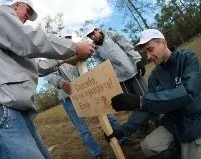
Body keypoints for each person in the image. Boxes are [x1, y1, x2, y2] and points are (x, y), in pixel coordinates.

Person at [0, 0, 95, 159]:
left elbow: (37, 66)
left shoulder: (10, 46)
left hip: (13, 109)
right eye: (27, 10)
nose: (28, 16)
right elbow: (27, 38)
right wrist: (74, 47)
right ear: (16, 5)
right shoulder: (1, 14)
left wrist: (63, 59)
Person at [109, 29, 201, 159]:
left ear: (164, 43)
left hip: (192, 119)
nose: (148, 57)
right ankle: (175, 145)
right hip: (171, 122)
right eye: (145, 53)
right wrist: (123, 130)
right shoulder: (154, 76)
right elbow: (148, 108)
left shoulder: (188, 58)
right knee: (147, 147)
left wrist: (141, 101)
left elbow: (189, 92)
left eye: (150, 49)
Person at [38, 29, 133, 158]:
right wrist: (61, 82)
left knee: (107, 113)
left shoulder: (76, 52)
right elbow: (48, 76)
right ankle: (96, 153)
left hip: (85, 90)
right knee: (82, 128)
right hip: (68, 98)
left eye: (69, 37)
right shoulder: (53, 56)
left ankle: (122, 138)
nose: (67, 40)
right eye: (64, 38)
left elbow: (84, 68)